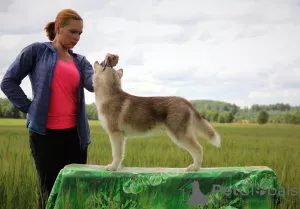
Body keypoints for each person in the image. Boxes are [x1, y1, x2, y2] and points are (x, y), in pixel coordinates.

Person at [0, 8, 119, 209]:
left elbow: (94, 84)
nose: (77, 37)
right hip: (44, 135)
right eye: (73, 32)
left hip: (76, 136)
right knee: (49, 192)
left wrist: (107, 66)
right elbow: (8, 82)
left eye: (80, 33)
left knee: (75, 192)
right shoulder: (36, 51)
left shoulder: (80, 61)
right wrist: (29, 108)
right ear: (58, 27)